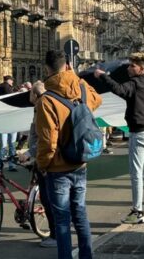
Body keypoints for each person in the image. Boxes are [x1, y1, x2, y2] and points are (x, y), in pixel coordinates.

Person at [36, 50, 102, 259]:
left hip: (58, 168)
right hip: (81, 161)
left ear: (47, 69)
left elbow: (47, 142)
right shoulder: (81, 88)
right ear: (67, 65)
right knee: (80, 214)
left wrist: (43, 165)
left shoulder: (46, 101)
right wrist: (76, 77)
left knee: (62, 221)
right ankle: (86, 256)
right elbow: (97, 99)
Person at [94, 52, 144, 224]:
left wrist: (103, 77)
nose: (128, 67)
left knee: (136, 174)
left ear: (141, 68)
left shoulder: (135, 84)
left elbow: (118, 89)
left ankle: (137, 212)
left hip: (139, 133)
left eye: (132, 65)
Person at [18, 81, 57, 248]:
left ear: (34, 94)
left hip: (46, 159)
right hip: (41, 157)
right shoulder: (40, 107)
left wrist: (29, 153)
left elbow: (44, 137)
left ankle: (56, 236)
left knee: (49, 199)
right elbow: (35, 133)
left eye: (29, 94)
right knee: (48, 197)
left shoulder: (42, 107)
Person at [0, 76, 18, 171]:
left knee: (3, 144)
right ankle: (12, 164)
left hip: (2, 119)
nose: (12, 83)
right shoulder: (9, 89)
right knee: (12, 143)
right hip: (12, 119)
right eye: (12, 81)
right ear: (9, 80)